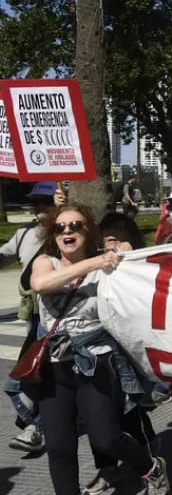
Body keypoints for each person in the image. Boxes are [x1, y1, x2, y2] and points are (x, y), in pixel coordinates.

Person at [30, 202, 170, 495]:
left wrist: (129, 255)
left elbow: (146, 274)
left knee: (106, 439)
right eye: (60, 227)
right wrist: (95, 262)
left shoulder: (109, 266)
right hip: (53, 366)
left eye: (76, 226)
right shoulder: (46, 262)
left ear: (89, 232)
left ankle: (150, 467)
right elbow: (41, 285)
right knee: (58, 445)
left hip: (96, 363)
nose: (67, 231)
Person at [83, 212, 162, 495]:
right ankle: (107, 469)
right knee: (99, 419)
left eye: (116, 241)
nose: (109, 248)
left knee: (131, 413)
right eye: (104, 242)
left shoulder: (142, 269)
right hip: (97, 353)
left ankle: (150, 463)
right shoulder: (92, 265)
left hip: (129, 353)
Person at [4, 181, 57, 454]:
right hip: (34, 316)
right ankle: (38, 424)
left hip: (56, 317)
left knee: (30, 376)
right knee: (35, 373)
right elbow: (6, 255)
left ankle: (36, 427)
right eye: (36, 202)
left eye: (45, 202)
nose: (39, 208)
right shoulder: (25, 234)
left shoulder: (66, 233)